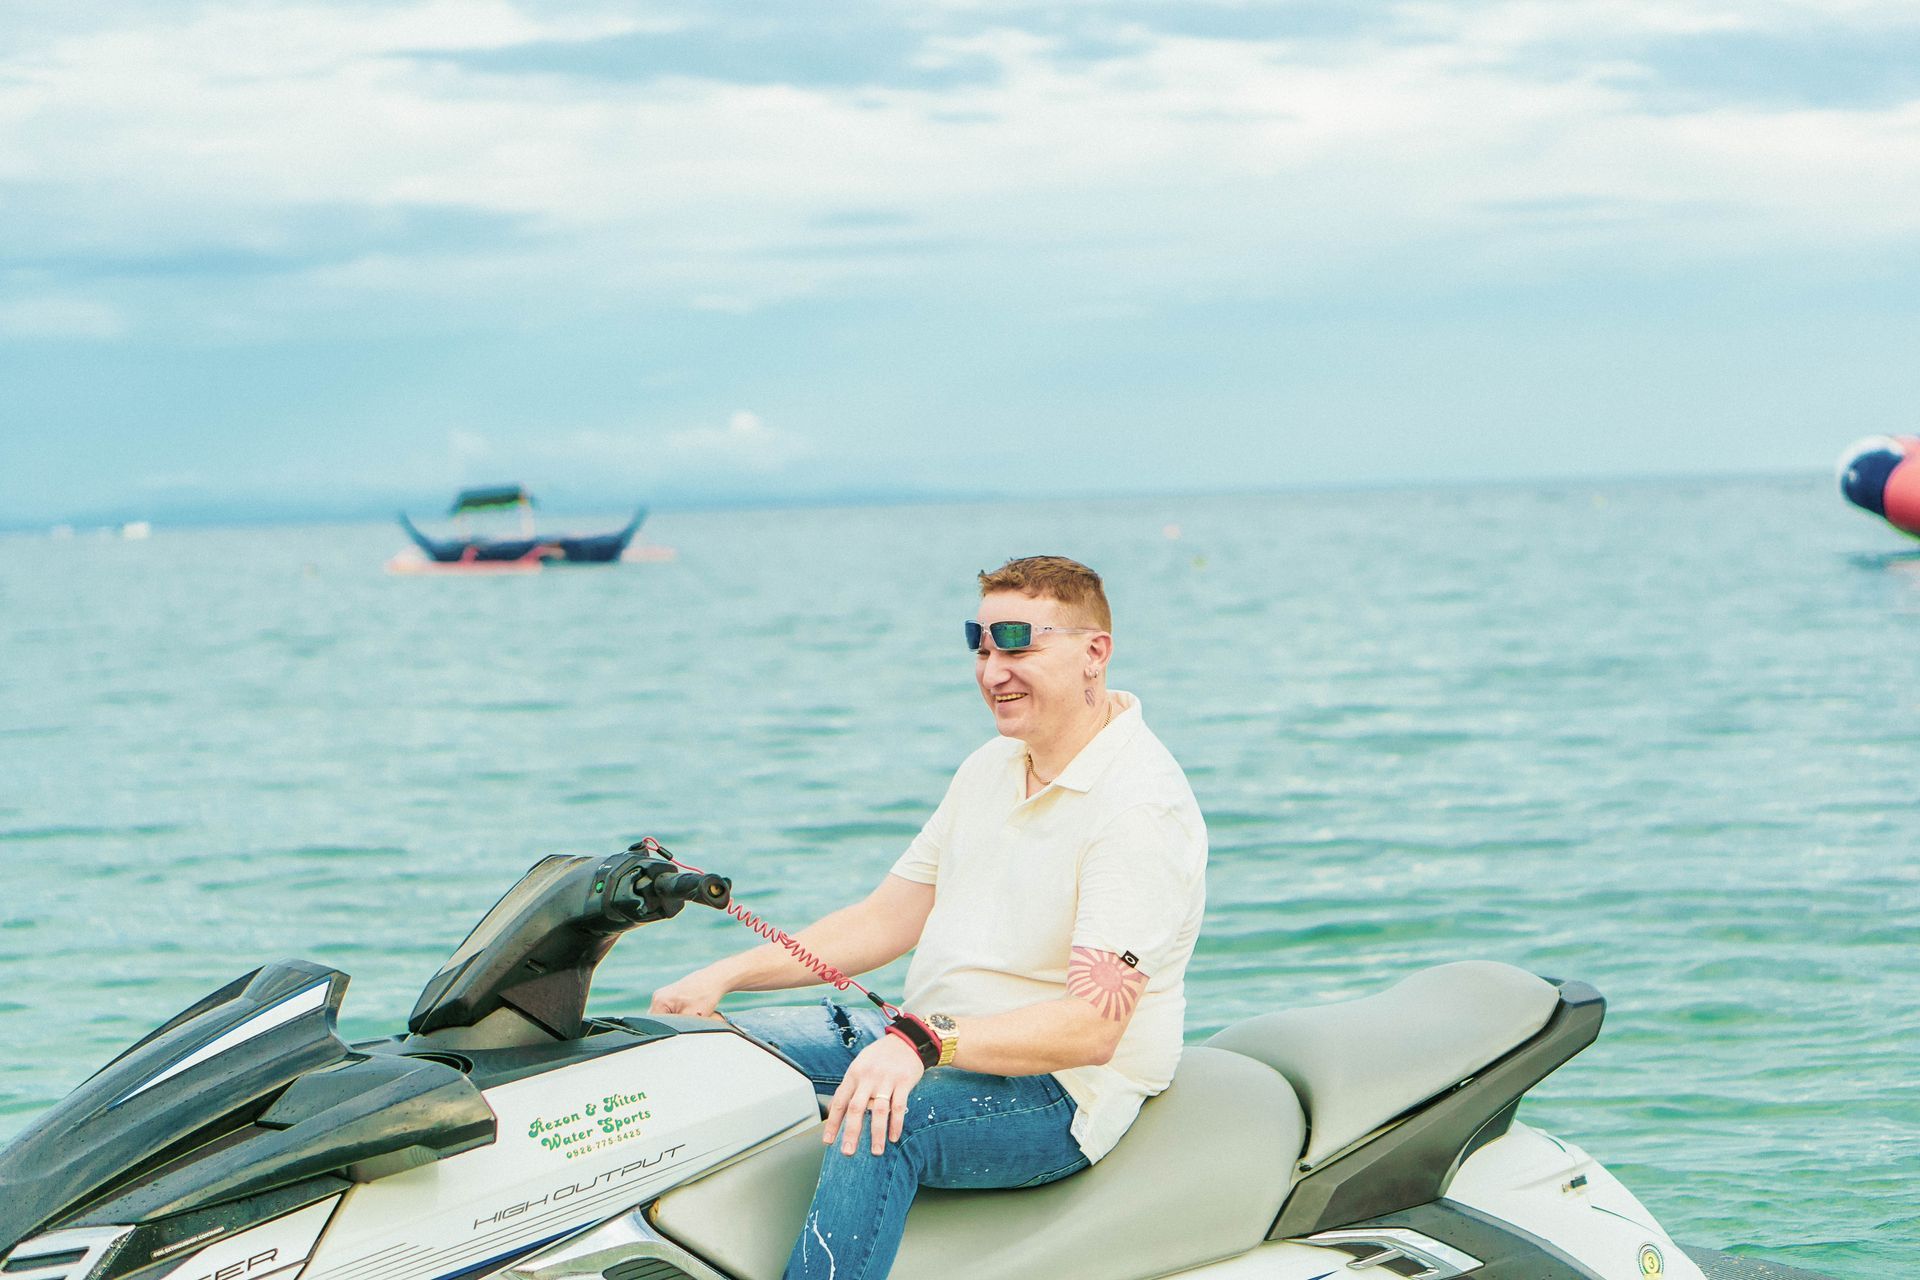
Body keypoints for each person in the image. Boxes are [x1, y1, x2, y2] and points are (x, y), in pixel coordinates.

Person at [650, 555, 1207, 1280]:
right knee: (688, 1049)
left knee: (879, 1119)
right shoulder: (992, 766)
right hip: (925, 1038)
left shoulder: (1139, 810)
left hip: (1059, 1090)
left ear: (1093, 653)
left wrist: (923, 1042)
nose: (993, 672)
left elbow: (1091, 1029)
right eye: (981, 647)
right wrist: (723, 977)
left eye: (1018, 645)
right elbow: (885, 919)